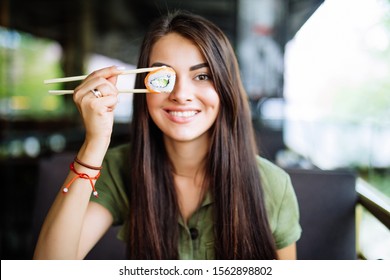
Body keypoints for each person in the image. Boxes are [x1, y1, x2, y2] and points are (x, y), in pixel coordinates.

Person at [33, 10, 301, 260]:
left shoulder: (273, 184)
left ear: (226, 88)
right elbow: (49, 267)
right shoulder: (120, 168)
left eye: (203, 76)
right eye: (164, 78)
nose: (181, 94)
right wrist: (95, 142)